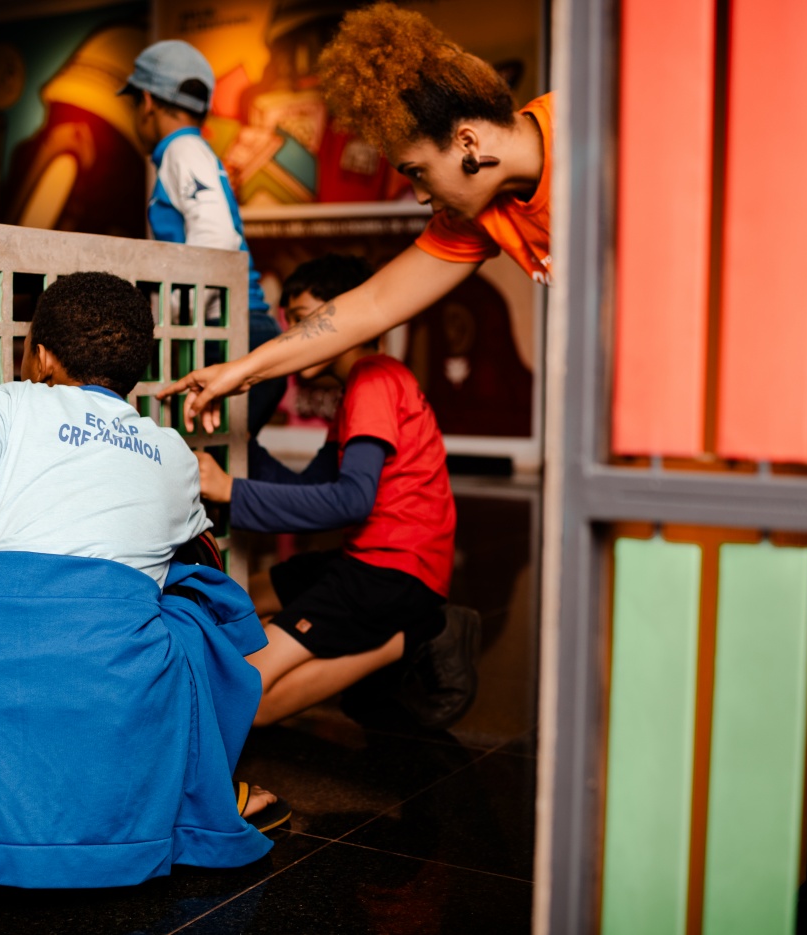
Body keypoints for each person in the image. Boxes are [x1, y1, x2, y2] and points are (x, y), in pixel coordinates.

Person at [0, 272, 286, 889]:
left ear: (42, 357)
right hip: (116, 697)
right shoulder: (174, 453)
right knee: (191, 602)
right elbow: (193, 557)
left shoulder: (14, 404)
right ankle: (195, 797)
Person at [160, 3, 551, 432]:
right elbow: (372, 303)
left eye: (418, 173)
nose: (420, 196)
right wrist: (241, 371)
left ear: (468, 144)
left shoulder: (593, 136)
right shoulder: (473, 218)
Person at [193, 255, 479, 730]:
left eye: (305, 322)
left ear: (345, 317)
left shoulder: (374, 379)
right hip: (372, 562)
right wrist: (241, 451)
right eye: (290, 327)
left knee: (249, 703)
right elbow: (312, 490)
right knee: (251, 592)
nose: (293, 342)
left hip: (393, 574)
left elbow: (349, 502)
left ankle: (421, 634)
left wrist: (231, 490)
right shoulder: (361, 386)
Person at [118, 39, 286, 433]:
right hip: (244, 331)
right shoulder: (194, 150)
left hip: (230, 333)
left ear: (146, 101)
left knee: (209, 468)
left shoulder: (182, 148)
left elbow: (216, 239)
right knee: (229, 465)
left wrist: (179, 325)